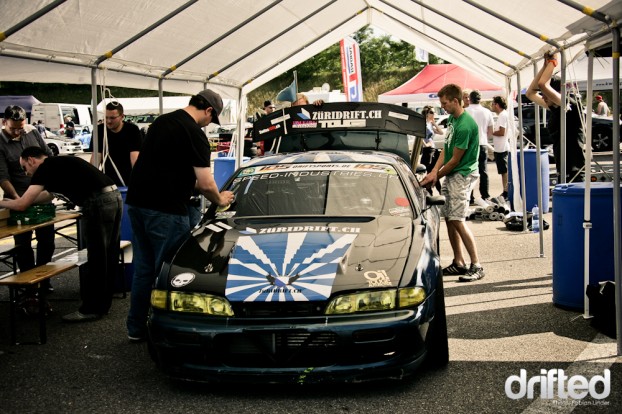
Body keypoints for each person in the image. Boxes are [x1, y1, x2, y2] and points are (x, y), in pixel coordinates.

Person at [125, 89, 234, 342]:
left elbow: (172, 171)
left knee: (143, 269)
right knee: (171, 272)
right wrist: (220, 200)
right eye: (212, 119)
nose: (209, 124)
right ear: (208, 110)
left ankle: (136, 328)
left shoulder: (163, 121)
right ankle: (168, 334)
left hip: (138, 204)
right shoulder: (195, 133)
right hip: (165, 209)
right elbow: (206, 184)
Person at [0, 146, 122, 322]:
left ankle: (90, 309)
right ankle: (103, 305)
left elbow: (22, 205)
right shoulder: (59, 163)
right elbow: (46, 196)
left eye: (24, 168)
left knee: (96, 257)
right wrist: (21, 201)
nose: (26, 173)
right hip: (114, 196)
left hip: (97, 203)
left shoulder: (44, 168)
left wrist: (4, 203)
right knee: (108, 254)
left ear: (31, 160)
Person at [420, 83, 485, 282]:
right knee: (449, 217)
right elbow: (445, 152)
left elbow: (455, 159)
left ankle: (477, 265)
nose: (443, 107)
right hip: (452, 174)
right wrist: (433, 173)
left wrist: (435, 176)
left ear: (455, 101)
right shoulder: (453, 121)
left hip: (462, 175)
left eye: (445, 103)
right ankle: (459, 262)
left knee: (457, 219)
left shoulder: (466, 125)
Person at [0, 106, 56, 293]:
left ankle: (44, 279)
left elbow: (48, 155)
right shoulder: (0, 143)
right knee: (23, 244)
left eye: (20, 128)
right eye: (13, 128)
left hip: (41, 195)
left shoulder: (32, 133)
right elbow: (2, 176)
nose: (17, 132)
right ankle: (28, 284)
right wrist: (19, 200)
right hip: (18, 194)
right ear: (3, 123)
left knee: (47, 240)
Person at [526, 51, 585, 183]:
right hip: (562, 167)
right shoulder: (555, 108)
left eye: (546, 94)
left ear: (556, 92)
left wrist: (553, 63)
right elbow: (531, 93)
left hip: (575, 170)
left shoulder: (570, 105)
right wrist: (545, 65)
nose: (544, 97)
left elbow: (542, 85)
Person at [88, 101, 142, 187]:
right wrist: (90, 177)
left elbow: (135, 157)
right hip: (107, 179)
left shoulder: (132, 130)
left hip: (127, 179)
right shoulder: (99, 130)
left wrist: (138, 179)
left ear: (122, 117)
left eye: (112, 118)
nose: (108, 121)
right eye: (106, 117)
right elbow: (96, 157)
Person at [465, 90, 494, 201]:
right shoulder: (487, 112)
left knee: (469, 171)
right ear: (480, 99)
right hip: (482, 143)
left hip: (469, 144)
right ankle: (485, 195)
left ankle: (470, 196)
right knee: (483, 171)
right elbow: (490, 131)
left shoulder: (465, 111)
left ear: (470, 99)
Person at [491, 96, 510, 198]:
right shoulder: (502, 115)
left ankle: (506, 191)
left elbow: (502, 132)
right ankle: (505, 190)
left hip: (502, 148)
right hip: (500, 148)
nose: (492, 106)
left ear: (497, 105)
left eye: (493, 104)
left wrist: (491, 132)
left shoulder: (503, 115)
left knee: (504, 171)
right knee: (503, 171)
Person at [421, 106, 443, 194]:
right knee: (429, 171)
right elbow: (419, 135)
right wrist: (425, 144)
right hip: (428, 150)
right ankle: (429, 191)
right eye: (432, 112)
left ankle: (439, 191)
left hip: (433, 149)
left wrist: (434, 123)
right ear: (427, 114)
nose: (434, 114)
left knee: (434, 172)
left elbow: (441, 132)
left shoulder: (430, 124)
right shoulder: (424, 124)